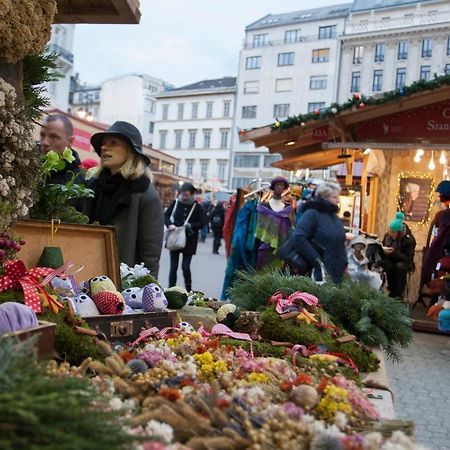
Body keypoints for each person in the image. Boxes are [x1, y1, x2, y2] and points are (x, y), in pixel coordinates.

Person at [83, 121, 164, 278]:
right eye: (103, 144)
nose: (104, 147)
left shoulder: (145, 194)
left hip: (124, 287)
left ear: (131, 151)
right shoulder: (92, 187)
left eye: (113, 143)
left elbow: (151, 255)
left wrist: (146, 289)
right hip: (86, 276)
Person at [293, 181, 347, 283]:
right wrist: (317, 262)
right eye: (334, 197)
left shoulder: (334, 216)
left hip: (336, 271)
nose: (338, 200)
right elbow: (299, 238)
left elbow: (340, 241)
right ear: (324, 197)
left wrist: (344, 262)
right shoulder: (312, 214)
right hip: (317, 273)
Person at [164, 182, 204, 292]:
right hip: (175, 237)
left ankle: (189, 290)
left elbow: (202, 223)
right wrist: (169, 224)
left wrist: (190, 225)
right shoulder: (176, 203)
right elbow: (166, 216)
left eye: (187, 195)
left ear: (192, 194)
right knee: (173, 267)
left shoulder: (197, 206)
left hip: (189, 241)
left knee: (185, 267)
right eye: (183, 194)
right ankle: (171, 290)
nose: (184, 197)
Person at [256, 176, 294, 269]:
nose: (280, 187)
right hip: (264, 247)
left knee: (278, 275)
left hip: (281, 249)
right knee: (262, 275)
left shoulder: (288, 209)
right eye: (278, 185)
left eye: (282, 185)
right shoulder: (263, 207)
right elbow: (259, 228)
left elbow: (290, 228)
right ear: (273, 187)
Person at [39, 114, 83, 185]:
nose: (45, 142)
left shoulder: (77, 181)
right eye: (42, 135)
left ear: (70, 141)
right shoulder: (26, 163)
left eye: (54, 137)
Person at [380, 212, 416, 299]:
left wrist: (394, 253)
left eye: (393, 232)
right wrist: (383, 250)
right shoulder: (388, 236)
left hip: (404, 262)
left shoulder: (409, 240)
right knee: (387, 265)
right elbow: (383, 245)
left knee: (399, 267)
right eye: (390, 231)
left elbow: (408, 258)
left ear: (399, 232)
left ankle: (399, 293)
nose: (391, 234)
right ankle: (391, 290)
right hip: (391, 259)